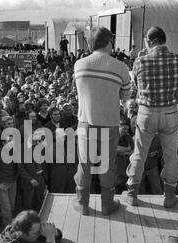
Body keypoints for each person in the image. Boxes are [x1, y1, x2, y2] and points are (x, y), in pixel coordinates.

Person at [125, 26, 178, 208]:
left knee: (139, 154)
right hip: (170, 112)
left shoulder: (140, 61)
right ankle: (169, 197)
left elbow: (136, 85)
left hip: (146, 112)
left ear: (150, 41)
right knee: (170, 156)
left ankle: (132, 195)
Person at [73, 26, 132, 216]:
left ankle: (82, 204)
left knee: (84, 164)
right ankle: (107, 204)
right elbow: (126, 95)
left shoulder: (79, 64)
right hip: (110, 124)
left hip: (85, 123)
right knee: (108, 165)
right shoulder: (120, 67)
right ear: (109, 42)